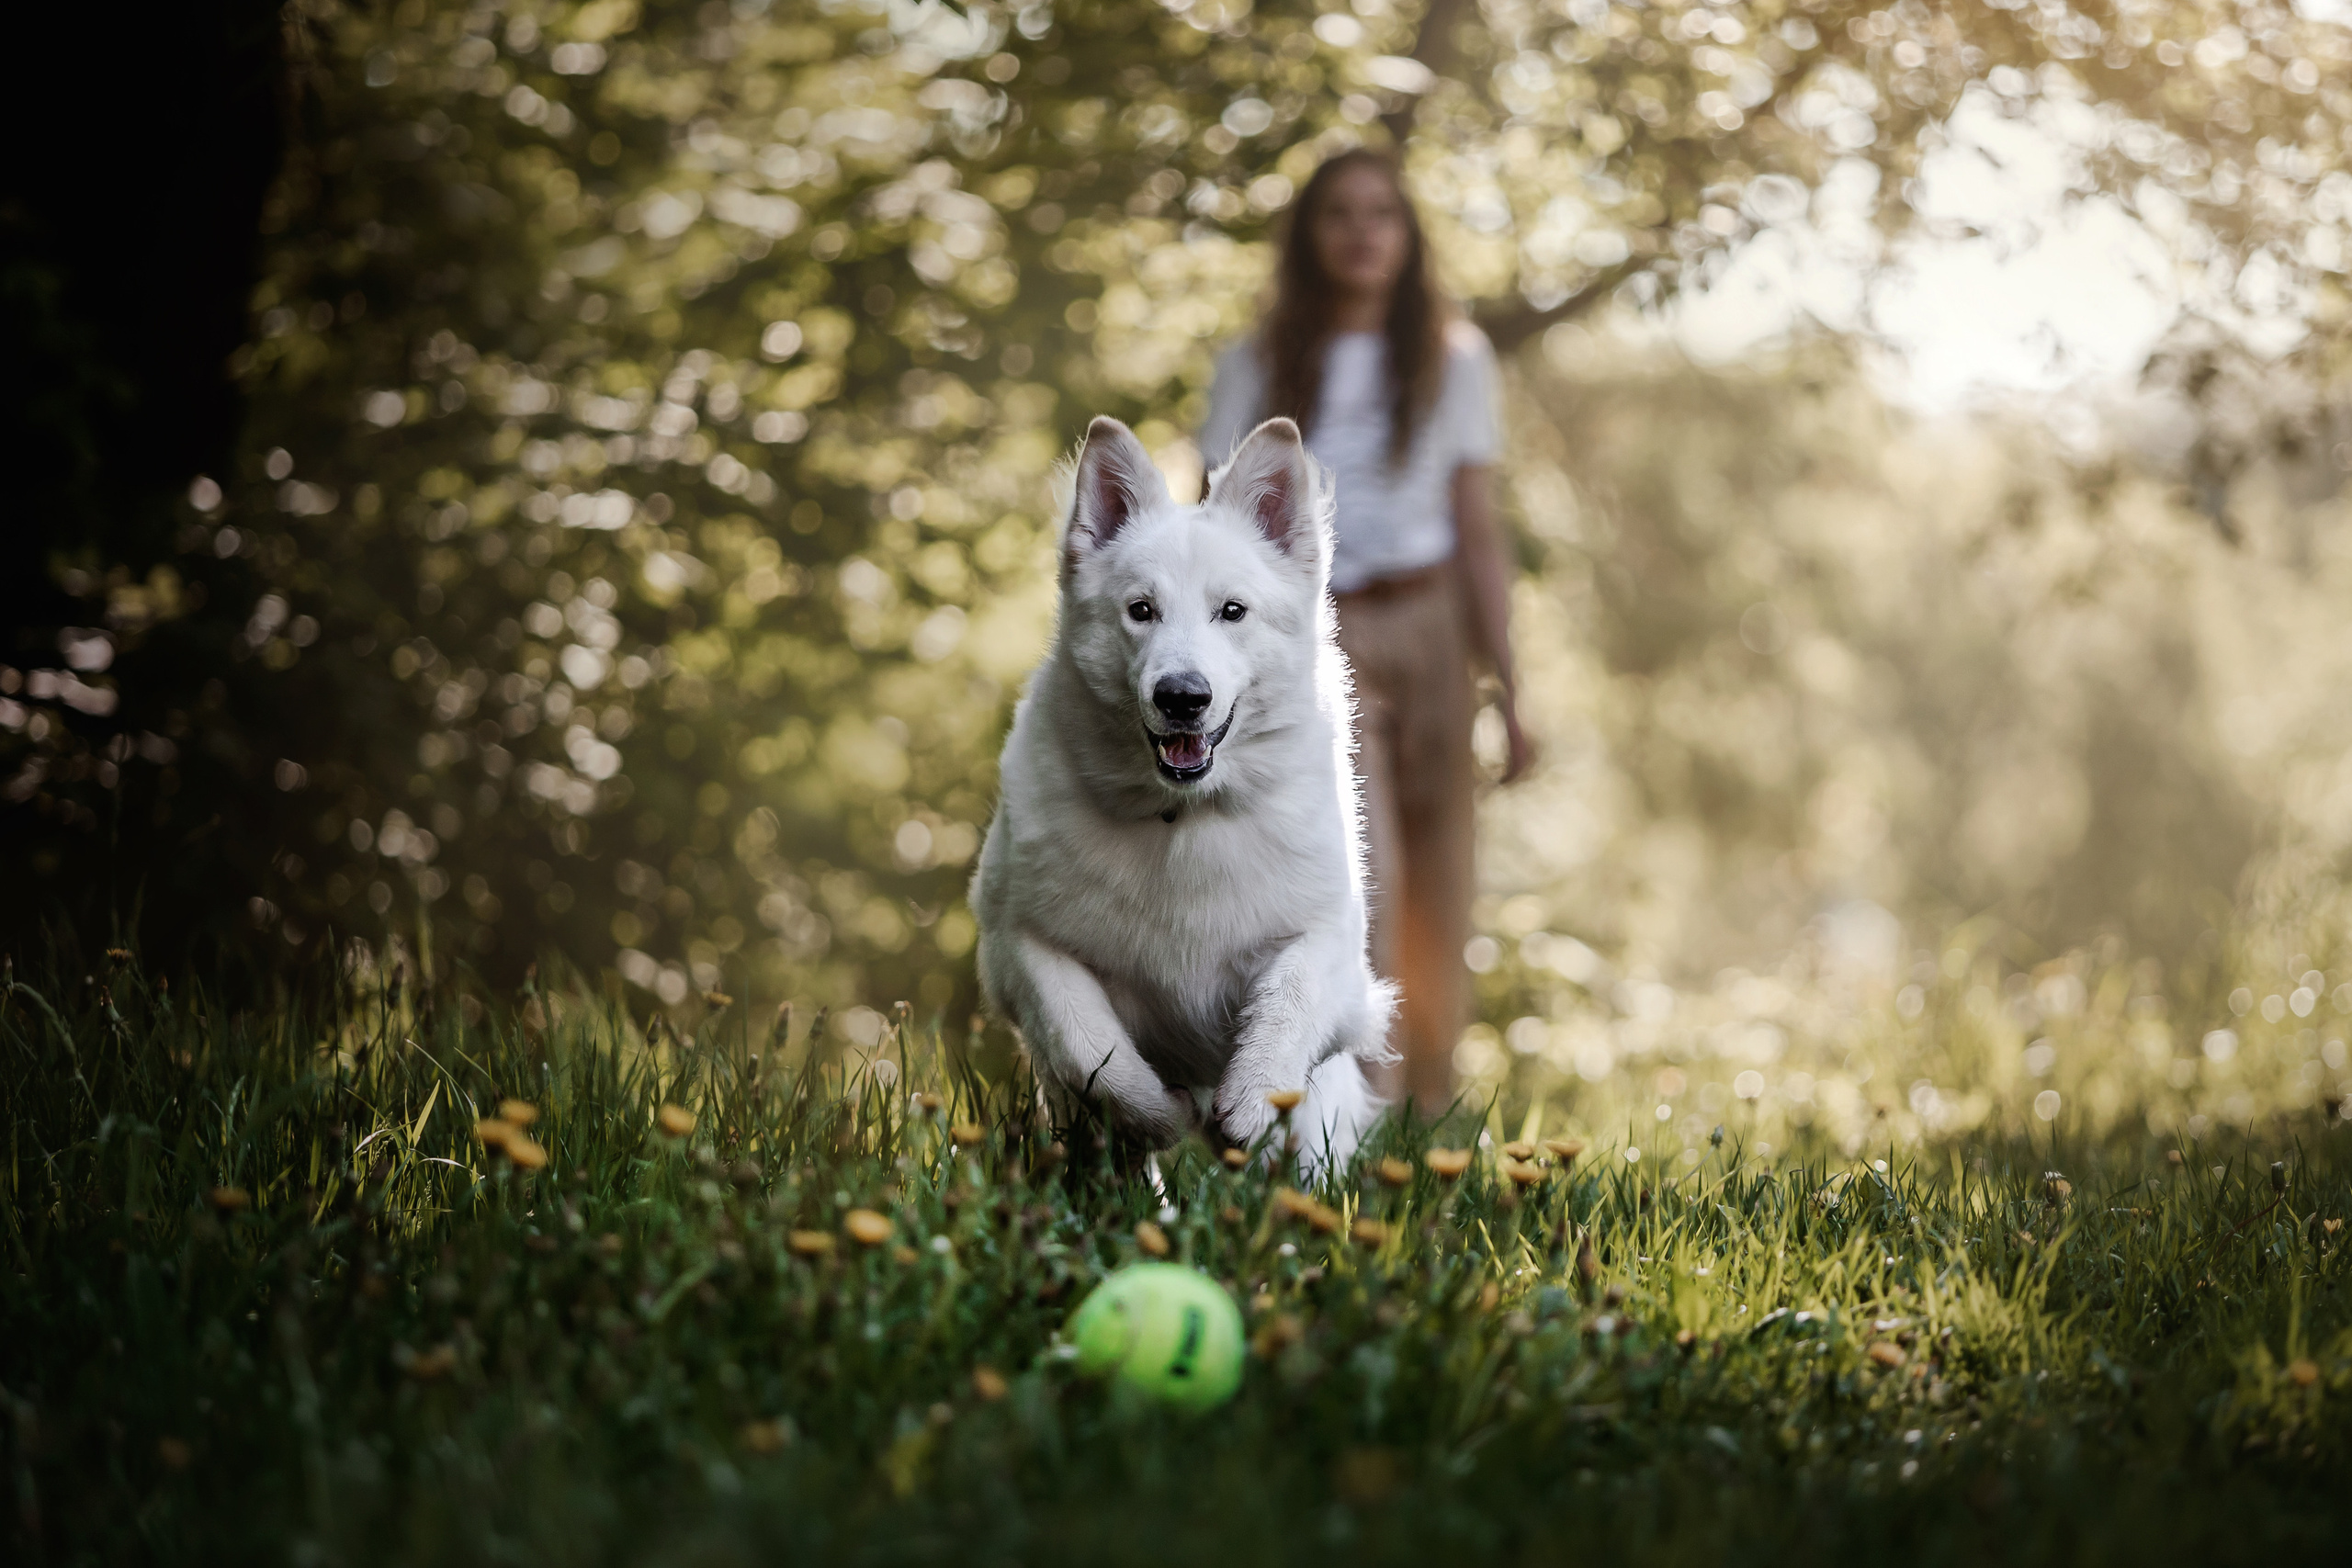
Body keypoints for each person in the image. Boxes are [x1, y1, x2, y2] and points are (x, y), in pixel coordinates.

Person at [1198, 147, 1532, 1117]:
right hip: (1318, 634)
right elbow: (1213, 530)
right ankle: (1358, 1116)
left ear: (1407, 235)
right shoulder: (1254, 363)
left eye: (1382, 213)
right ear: (1308, 234)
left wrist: (1511, 689)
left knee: (1440, 878)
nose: (1361, 231)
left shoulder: (1454, 357)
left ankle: (1432, 1112)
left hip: (1431, 620)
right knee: (1363, 875)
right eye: (1339, 212)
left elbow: (1477, 527)